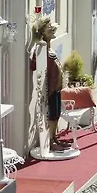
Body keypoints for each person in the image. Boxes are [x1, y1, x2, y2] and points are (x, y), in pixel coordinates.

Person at [29, 17, 70, 152]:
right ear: (42, 32)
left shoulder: (49, 48)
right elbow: (34, 65)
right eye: (49, 28)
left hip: (57, 88)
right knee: (52, 115)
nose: (52, 29)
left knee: (56, 114)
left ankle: (54, 137)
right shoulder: (41, 48)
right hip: (50, 89)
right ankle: (50, 141)